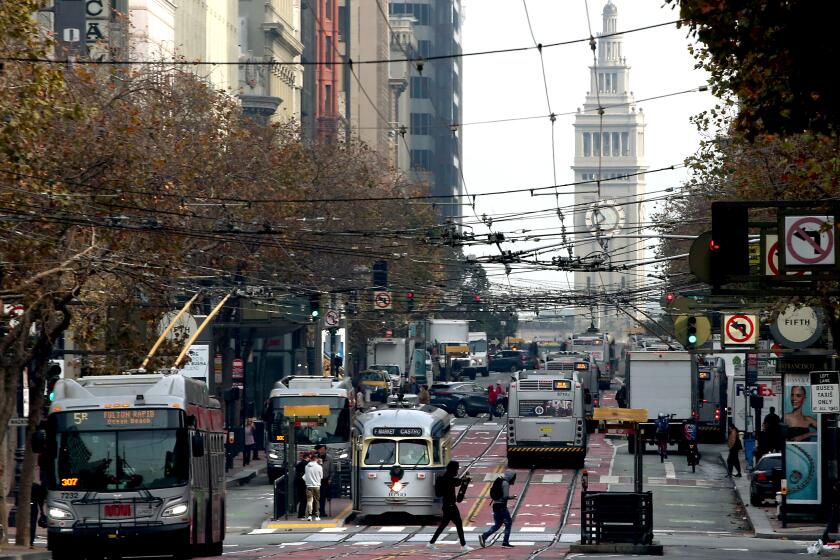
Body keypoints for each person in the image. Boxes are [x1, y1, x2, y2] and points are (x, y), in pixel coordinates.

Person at [428, 460, 472, 552]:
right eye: (456, 469)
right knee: (458, 524)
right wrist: (465, 479)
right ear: (453, 469)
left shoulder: (445, 477)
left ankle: (431, 543)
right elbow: (457, 482)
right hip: (450, 506)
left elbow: (456, 482)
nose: (457, 471)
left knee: (444, 524)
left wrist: (463, 479)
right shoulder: (449, 478)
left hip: (448, 505)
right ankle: (463, 545)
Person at [478, 471, 516, 548]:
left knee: (497, 525)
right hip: (502, 506)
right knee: (508, 523)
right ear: (511, 477)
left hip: (495, 506)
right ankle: (505, 542)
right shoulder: (505, 483)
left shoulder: (499, 481)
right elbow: (505, 496)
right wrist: (512, 497)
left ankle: (484, 536)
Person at [304, 455, 323, 521]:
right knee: (317, 501)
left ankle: (309, 515)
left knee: (309, 501)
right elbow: (321, 476)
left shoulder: (306, 467)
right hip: (317, 486)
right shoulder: (319, 467)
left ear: (311, 459)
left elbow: (306, 475)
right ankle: (317, 516)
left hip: (309, 485)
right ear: (316, 459)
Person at [315, 444, 333, 517]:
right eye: (320, 449)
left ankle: (322, 511)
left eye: (323, 449)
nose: (321, 451)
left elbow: (332, 470)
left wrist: (330, 479)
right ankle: (315, 510)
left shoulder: (329, 458)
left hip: (325, 480)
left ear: (325, 450)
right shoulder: (315, 458)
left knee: (323, 496)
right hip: (316, 479)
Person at [29, 482, 46, 547]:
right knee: (33, 525)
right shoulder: (37, 487)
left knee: (31, 524)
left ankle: (30, 540)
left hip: (28, 506)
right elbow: (40, 500)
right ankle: (31, 541)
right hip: (34, 507)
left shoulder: (28, 486)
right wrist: (42, 511)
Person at [294, 451, 309, 519]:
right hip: (303, 483)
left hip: (299, 483)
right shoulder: (306, 464)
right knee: (304, 499)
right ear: (307, 457)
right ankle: (301, 514)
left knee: (301, 498)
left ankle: (301, 513)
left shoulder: (300, 463)